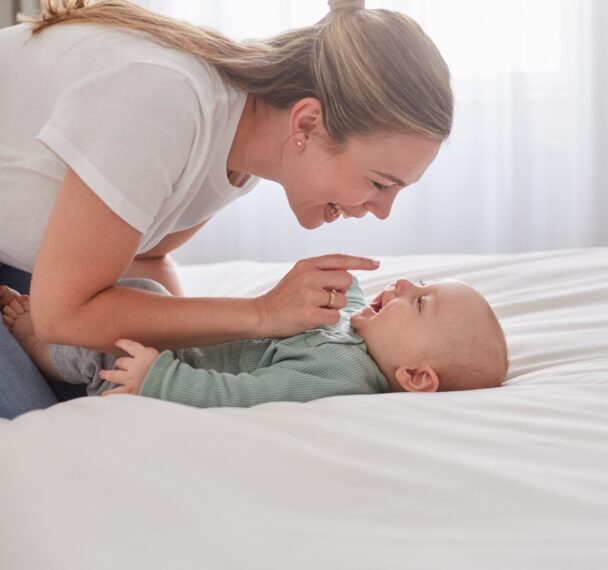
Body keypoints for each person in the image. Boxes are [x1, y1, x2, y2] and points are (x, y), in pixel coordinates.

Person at [0, 0, 453, 418]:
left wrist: (189, 371)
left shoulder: (242, 152)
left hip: (35, 271)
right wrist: (262, 313)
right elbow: (61, 316)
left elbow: (146, 256)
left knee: (119, 397)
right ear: (308, 123)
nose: (382, 211)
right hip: (51, 296)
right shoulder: (163, 101)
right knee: (48, 428)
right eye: (379, 183)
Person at [2, 275, 508, 407]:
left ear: (415, 376)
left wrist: (159, 377)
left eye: (419, 302)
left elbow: (247, 395)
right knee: (143, 295)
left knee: (118, 330)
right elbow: (346, 303)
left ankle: (36, 344)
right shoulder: (362, 331)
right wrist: (339, 283)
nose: (403, 287)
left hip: (150, 365)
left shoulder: (341, 376)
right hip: (181, 338)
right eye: (419, 283)